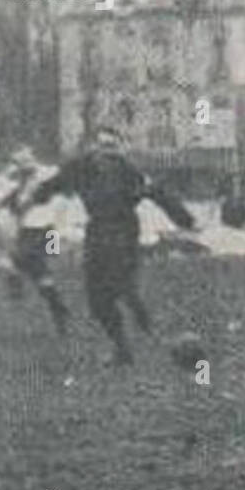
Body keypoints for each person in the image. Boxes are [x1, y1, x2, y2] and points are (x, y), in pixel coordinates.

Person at [31, 127, 196, 366]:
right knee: (98, 299)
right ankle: (124, 346)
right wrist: (39, 194)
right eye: (102, 146)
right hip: (102, 231)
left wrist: (184, 218)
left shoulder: (125, 170)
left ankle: (149, 330)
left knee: (119, 287)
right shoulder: (82, 167)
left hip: (121, 231)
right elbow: (53, 185)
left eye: (112, 147)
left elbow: (156, 192)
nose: (107, 153)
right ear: (93, 147)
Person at [0, 145, 70, 335]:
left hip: (43, 227)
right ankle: (57, 307)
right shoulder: (14, 178)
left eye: (25, 160)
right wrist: (7, 178)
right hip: (28, 228)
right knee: (38, 272)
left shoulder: (47, 174)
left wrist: (57, 239)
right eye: (18, 162)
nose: (23, 166)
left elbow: (61, 201)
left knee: (19, 261)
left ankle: (18, 287)